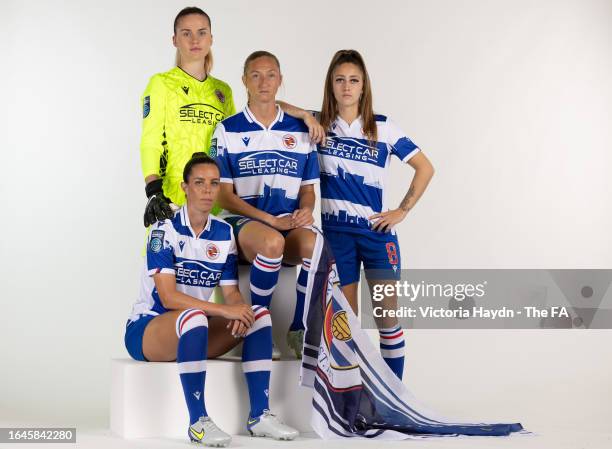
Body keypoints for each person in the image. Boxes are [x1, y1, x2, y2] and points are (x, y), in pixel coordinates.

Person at [124, 153, 299, 446]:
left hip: (194, 328)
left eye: (214, 183)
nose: (207, 190)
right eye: (200, 183)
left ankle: (260, 415)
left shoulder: (224, 232)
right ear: (185, 187)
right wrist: (223, 310)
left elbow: (230, 292)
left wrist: (240, 310)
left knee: (258, 315)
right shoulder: (163, 230)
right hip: (148, 328)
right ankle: (198, 423)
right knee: (194, 317)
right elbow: (167, 297)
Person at [316, 49, 434, 380]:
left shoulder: (384, 127)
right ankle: (352, 399)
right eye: (340, 80)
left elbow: (425, 168)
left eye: (354, 80)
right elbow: (283, 112)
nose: (347, 87)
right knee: (346, 322)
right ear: (331, 85)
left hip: (377, 235)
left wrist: (401, 210)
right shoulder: (319, 126)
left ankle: (394, 399)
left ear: (364, 86)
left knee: (387, 318)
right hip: (337, 237)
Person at [212, 51, 319, 359]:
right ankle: (258, 326)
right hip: (242, 222)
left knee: (318, 247)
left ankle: (299, 327)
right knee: (272, 243)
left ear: (280, 80)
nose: (263, 82)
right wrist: (269, 221)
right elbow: (223, 196)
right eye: (255, 75)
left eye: (271, 74)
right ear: (245, 81)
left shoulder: (300, 130)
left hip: (287, 220)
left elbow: (308, 190)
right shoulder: (228, 129)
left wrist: (307, 210)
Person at [140, 7, 235, 227]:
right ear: (175, 40)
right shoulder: (161, 83)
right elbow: (150, 140)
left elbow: (234, 144)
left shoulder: (223, 91)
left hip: (216, 201)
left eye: (202, 32)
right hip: (173, 198)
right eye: (186, 33)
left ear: (211, 38)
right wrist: (153, 191)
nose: (195, 39)